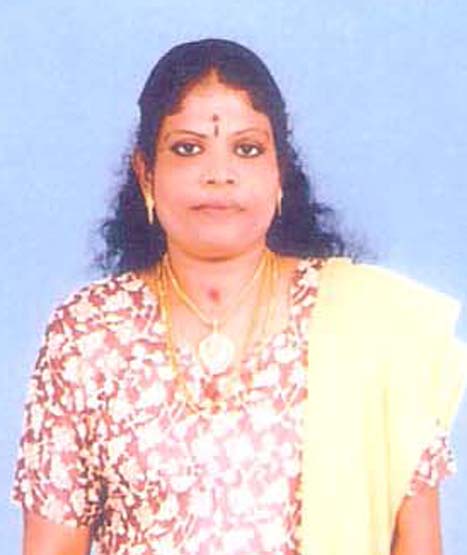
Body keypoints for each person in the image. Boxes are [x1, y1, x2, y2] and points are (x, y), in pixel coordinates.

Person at [12, 38, 466, 555]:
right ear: (146, 174)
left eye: (247, 149)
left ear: (279, 174)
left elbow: (418, 544)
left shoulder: (373, 327)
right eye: (188, 148)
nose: (219, 174)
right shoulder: (89, 333)